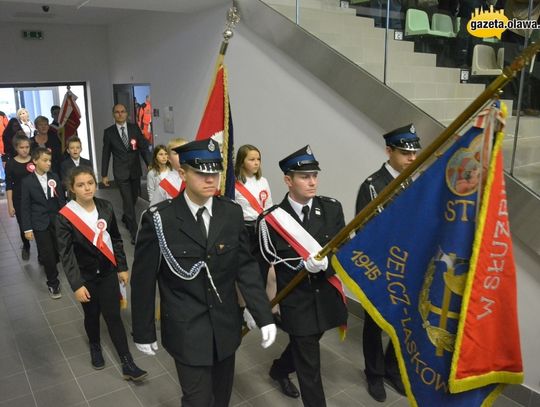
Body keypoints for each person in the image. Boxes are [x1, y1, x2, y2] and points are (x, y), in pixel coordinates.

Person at [131, 138, 276, 407]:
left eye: (215, 172)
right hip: (186, 328)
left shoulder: (231, 213)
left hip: (225, 326)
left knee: (221, 398)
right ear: (183, 173)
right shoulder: (159, 219)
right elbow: (143, 280)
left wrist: (263, 314)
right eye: (201, 172)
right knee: (197, 400)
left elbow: (244, 268)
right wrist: (143, 330)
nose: (211, 179)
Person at [260, 145, 348, 406]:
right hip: (296, 300)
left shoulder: (331, 208)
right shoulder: (271, 220)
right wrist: (264, 305)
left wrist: (326, 264)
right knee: (310, 364)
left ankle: (279, 369)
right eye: (304, 176)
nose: (312, 182)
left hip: (325, 295)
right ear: (288, 180)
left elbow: (343, 249)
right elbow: (264, 265)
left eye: (314, 175)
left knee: (306, 343)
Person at [56, 166, 147, 381]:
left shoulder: (105, 207)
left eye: (90, 183)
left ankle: (127, 361)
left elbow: (115, 239)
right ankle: (95, 345)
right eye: (81, 185)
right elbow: (66, 255)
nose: (87, 188)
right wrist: (77, 285)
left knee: (113, 315)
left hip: (107, 272)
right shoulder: (65, 217)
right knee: (91, 315)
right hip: (85, 276)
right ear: (72, 188)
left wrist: (122, 266)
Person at [355, 124, 421, 402]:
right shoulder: (373, 186)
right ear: (389, 151)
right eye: (405, 153)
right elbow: (365, 231)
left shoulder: (411, 182)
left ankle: (393, 368)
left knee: (402, 321)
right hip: (381, 267)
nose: (411, 158)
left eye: (415, 153)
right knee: (375, 323)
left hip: (408, 265)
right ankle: (374, 373)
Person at [233, 144, 278, 322]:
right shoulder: (235, 183)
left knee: (264, 269)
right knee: (244, 270)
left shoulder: (263, 181)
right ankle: (243, 307)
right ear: (241, 161)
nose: (256, 163)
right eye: (251, 159)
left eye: (258, 159)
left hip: (263, 228)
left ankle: (266, 309)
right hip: (244, 229)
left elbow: (269, 206)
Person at [101, 103, 150, 244]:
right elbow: (106, 154)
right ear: (113, 114)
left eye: (123, 111)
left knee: (134, 198)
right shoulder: (109, 132)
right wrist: (104, 174)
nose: (120, 114)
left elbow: (143, 148)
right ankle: (134, 233)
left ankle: (126, 217)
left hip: (135, 171)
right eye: (117, 112)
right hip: (120, 172)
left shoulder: (134, 128)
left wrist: (150, 165)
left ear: (127, 114)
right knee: (128, 202)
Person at [21, 147, 66, 298]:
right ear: (35, 161)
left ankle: (55, 265)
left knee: (57, 250)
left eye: (50, 160)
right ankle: (53, 283)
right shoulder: (27, 182)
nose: (48, 163)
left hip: (56, 220)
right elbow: (25, 207)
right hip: (39, 222)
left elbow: (61, 200)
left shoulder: (54, 176)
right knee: (47, 253)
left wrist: (66, 218)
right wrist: (27, 228)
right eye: (45, 160)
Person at [5, 133, 33, 260]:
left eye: (27, 147)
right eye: (22, 147)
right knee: (23, 225)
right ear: (16, 148)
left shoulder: (35, 160)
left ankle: (43, 252)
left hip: (34, 197)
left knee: (38, 223)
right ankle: (26, 246)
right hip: (19, 198)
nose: (25, 150)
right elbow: (9, 185)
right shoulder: (11, 164)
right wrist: (10, 205)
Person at [149, 138, 187, 205]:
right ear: (169, 158)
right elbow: (152, 209)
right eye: (176, 153)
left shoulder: (198, 177)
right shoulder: (165, 185)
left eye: (186, 151)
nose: (182, 155)